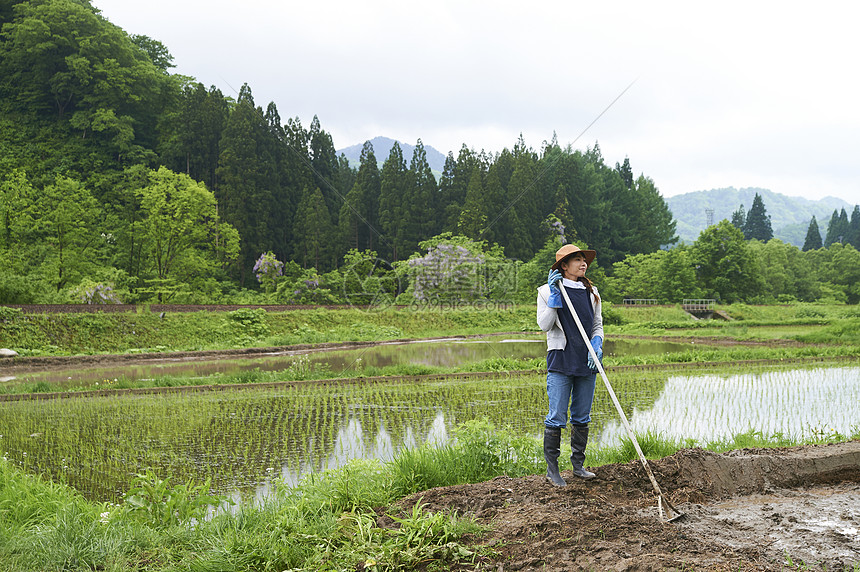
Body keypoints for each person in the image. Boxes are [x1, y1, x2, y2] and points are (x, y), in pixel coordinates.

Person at [536, 244, 604, 486]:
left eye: (584, 259)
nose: (583, 263)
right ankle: (552, 470)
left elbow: (597, 325)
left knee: (582, 416)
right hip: (561, 360)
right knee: (556, 416)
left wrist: (597, 343)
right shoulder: (547, 291)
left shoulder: (592, 292)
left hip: (586, 361)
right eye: (576, 260)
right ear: (563, 266)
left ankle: (578, 466)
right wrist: (555, 299)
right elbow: (544, 325)